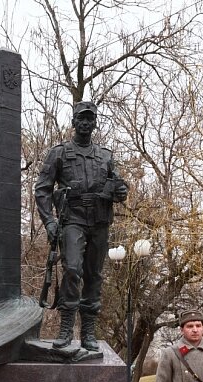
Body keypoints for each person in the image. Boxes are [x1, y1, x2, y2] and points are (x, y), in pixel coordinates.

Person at [34, 101, 128, 350]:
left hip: (99, 220)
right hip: (72, 219)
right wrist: (50, 222)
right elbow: (42, 190)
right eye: (81, 119)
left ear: (95, 123)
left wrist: (120, 191)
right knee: (73, 269)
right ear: (74, 122)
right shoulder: (60, 153)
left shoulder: (105, 155)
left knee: (94, 275)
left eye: (90, 119)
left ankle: (88, 331)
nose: (85, 123)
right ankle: (66, 328)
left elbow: (119, 184)